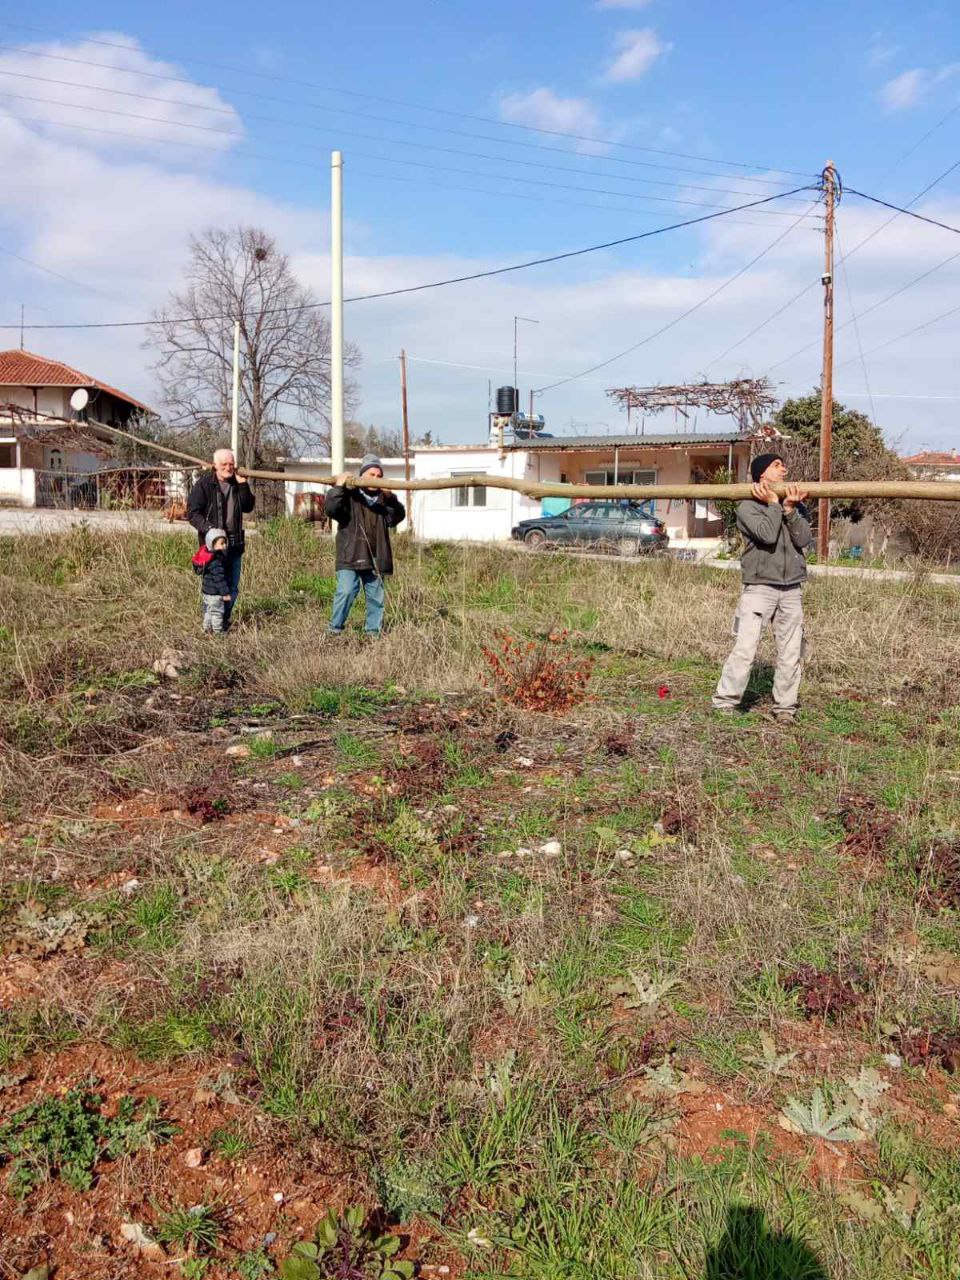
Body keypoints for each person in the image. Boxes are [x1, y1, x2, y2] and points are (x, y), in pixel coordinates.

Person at [712, 453, 811, 722]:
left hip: (791, 588)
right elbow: (767, 534)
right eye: (777, 466)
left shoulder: (795, 505)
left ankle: (785, 708)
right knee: (745, 648)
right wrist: (773, 504)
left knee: (791, 653)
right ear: (761, 474)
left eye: (782, 464)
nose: (784, 469)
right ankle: (725, 702)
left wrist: (790, 510)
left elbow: (803, 539)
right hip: (759, 587)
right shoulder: (747, 506)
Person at [324, 455, 405, 636]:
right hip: (350, 555)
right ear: (362, 475)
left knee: (376, 598)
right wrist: (338, 486)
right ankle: (334, 631)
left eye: (378, 475)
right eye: (371, 474)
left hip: (376, 558)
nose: (374, 479)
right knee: (345, 592)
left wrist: (390, 497)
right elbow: (331, 509)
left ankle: (372, 635)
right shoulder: (349, 495)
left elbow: (397, 517)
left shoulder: (385, 500)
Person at [187, 448, 254, 629]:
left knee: (232, 588)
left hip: (235, 543)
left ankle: (223, 621)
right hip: (213, 547)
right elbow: (193, 514)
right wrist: (211, 531)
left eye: (231, 464)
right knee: (214, 589)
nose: (228, 467)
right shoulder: (204, 484)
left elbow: (248, 507)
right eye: (224, 464)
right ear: (215, 465)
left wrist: (243, 485)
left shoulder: (236, 483)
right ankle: (211, 625)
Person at [193, 528, 232, 635]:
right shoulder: (216, 561)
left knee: (208, 610)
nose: (225, 545)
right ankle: (218, 632)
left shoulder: (207, 557)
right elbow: (219, 579)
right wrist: (225, 593)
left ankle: (206, 628)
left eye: (225, 543)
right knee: (217, 613)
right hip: (215, 593)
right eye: (222, 543)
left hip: (206, 591)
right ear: (212, 545)